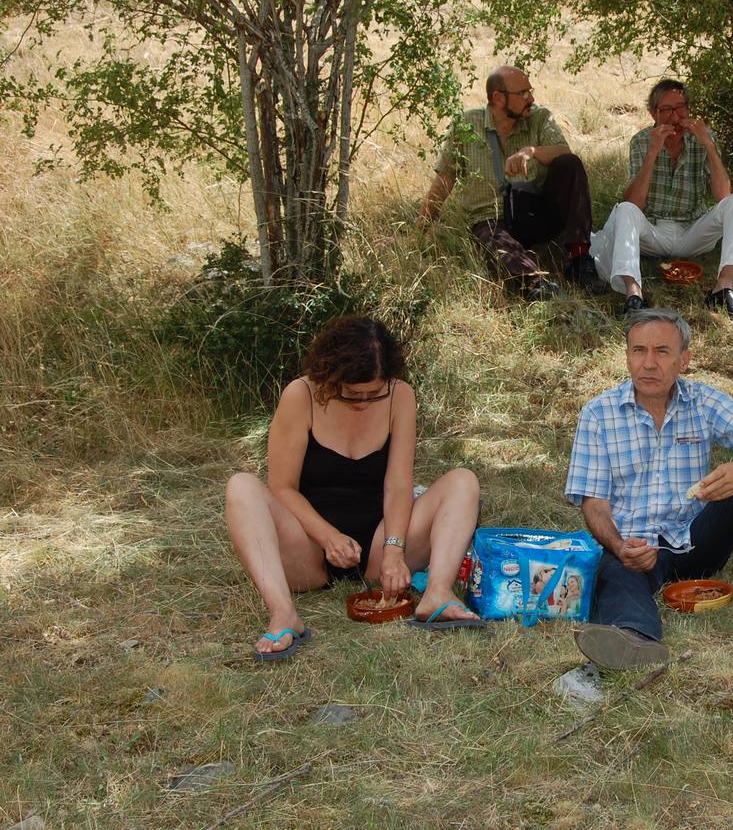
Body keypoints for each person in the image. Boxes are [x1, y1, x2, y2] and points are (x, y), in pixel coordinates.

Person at [565, 309, 733, 669]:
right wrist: (619, 545)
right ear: (627, 356)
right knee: (614, 569)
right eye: (638, 351)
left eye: (662, 352)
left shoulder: (703, 401)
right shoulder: (598, 414)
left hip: (696, 540)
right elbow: (595, 505)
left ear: (684, 360)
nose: (648, 363)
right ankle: (634, 638)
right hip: (637, 546)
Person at [225, 316, 485, 661]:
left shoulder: (400, 395)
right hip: (308, 548)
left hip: (379, 544)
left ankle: (437, 594)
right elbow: (282, 488)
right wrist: (327, 537)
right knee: (241, 486)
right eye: (352, 394)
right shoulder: (300, 395)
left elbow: (398, 485)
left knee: (463, 481)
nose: (363, 402)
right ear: (330, 376)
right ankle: (283, 613)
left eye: (373, 394)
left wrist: (394, 550)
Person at [418, 65, 606, 300]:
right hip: (492, 219)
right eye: (523, 93)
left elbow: (563, 151)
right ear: (498, 98)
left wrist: (532, 151)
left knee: (569, 163)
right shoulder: (466, 125)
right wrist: (419, 234)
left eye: (530, 91)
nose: (531, 98)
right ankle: (535, 283)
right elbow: (443, 182)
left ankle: (580, 261)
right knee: (497, 242)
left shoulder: (539, 117)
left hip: (536, 214)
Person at [588, 79, 733, 320]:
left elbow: (723, 196)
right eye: (666, 110)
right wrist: (653, 152)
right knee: (625, 209)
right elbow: (635, 203)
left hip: (692, 230)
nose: (675, 116)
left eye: (681, 108)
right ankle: (633, 295)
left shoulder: (703, 138)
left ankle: (723, 288)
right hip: (653, 232)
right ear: (653, 113)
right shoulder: (641, 141)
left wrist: (709, 145)